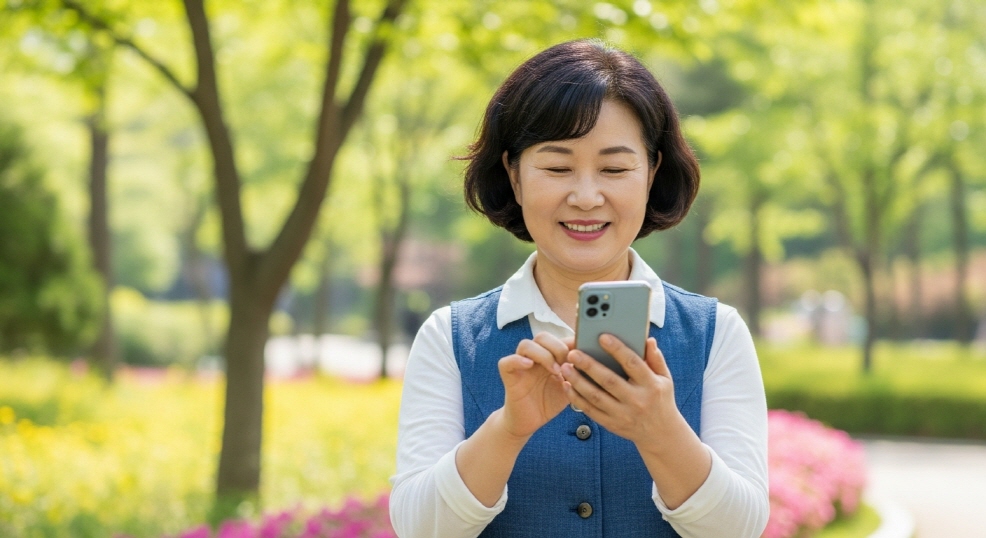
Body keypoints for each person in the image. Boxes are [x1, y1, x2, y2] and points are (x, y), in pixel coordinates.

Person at [389, 39, 768, 538]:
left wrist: (661, 432)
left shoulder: (715, 333)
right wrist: (508, 429)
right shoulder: (451, 338)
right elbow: (417, 528)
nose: (586, 197)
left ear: (651, 173)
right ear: (514, 176)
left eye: (614, 169)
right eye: (557, 167)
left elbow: (741, 529)